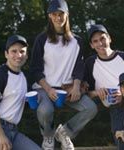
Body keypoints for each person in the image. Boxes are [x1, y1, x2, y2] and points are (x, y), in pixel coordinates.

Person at [29, 0, 97, 149]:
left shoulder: (77, 40)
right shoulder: (42, 39)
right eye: (54, 14)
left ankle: (64, 132)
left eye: (61, 14)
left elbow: (80, 66)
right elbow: (34, 69)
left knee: (91, 108)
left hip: (68, 89)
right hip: (45, 88)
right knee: (46, 110)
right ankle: (48, 136)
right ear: (49, 16)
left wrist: (77, 86)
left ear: (67, 15)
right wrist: (48, 89)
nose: (58, 17)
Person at [0, 35, 41, 150]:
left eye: (22, 51)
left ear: (26, 56)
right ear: (6, 54)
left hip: (13, 131)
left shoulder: (24, 78)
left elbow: (29, 100)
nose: (18, 55)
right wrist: (0, 135)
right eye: (14, 51)